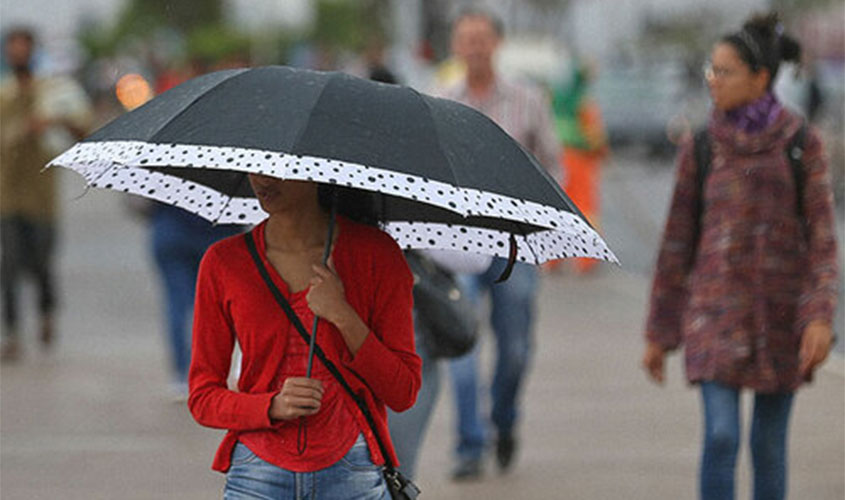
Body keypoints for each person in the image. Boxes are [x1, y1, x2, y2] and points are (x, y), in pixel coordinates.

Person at [642, 13, 839, 500]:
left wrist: (819, 317)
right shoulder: (702, 147)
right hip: (714, 314)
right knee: (722, 435)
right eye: (711, 69)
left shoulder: (801, 144)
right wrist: (659, 332)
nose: (714, 80)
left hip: (780, 318)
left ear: (761, 77)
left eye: (724, 71)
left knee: (768, 445)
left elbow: (822, 241)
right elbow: (676, 243)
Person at [187, 176, 421, 498]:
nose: (262, 179)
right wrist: (271, 406)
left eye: (277, 167)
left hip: (352, 470)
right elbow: (202, 399)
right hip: (257, 475)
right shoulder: (224, 262)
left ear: (316, 171)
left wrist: (342, 314)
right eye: (255, 166)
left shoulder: (376, 254)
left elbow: (403, 391)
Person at [434, 8, 560, 480]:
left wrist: (546, 229)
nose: (474, 47)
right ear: (455, 46)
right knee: (461, 344)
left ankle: (504, 420)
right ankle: (470, 444)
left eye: (482, 39)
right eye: (466, 39)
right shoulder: (441, 101)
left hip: (514, 245)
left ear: (496, 44)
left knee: (516, 350)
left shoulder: (527, 99)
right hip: (457, 244)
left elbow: (552, 163)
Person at [0, 28, 92, 361]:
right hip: (7, 194)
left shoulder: (54, 92)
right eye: (13, 49)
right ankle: (12, 333)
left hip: (42, 196)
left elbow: (84, 129)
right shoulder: (5, 95)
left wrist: (55, 121)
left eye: (23, 48)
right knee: (8, 266)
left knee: (41, 262)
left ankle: (46, 313)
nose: (18, 54)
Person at [549, 60, 608, 275]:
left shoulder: (556, 100)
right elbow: (594, 135)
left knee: (557, 207)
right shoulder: (584, 103)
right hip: (580, 160)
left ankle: (552, 258)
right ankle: (586, 258)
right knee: (585, 207)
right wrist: (602, 151)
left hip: (557, 158)